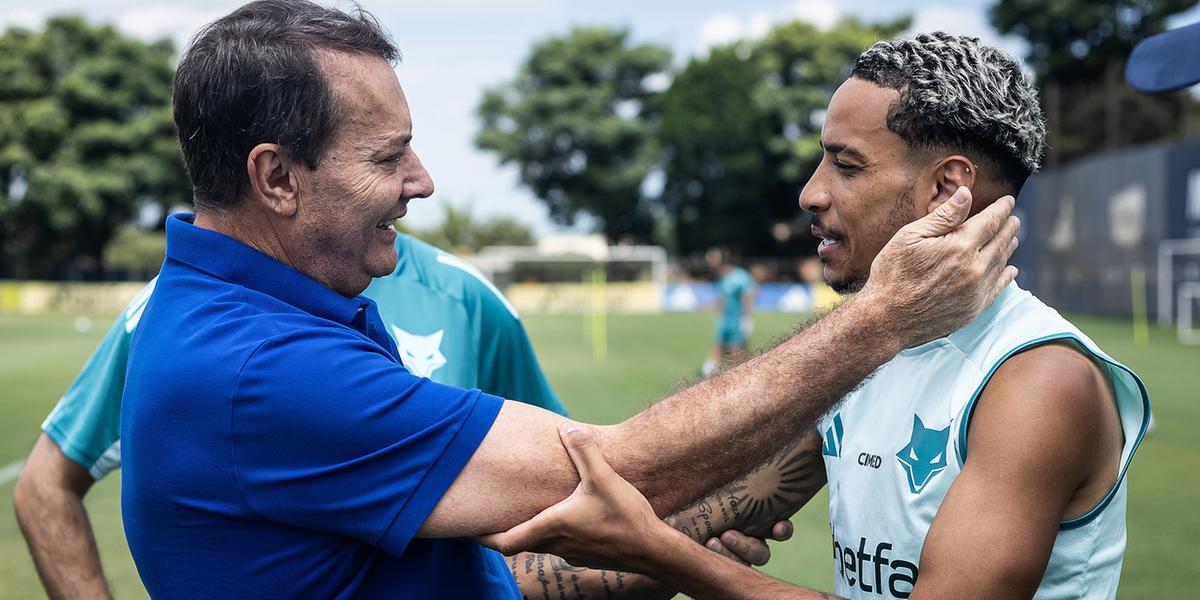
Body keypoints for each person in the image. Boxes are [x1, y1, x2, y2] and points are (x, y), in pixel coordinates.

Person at [118, 2, 1019, 597]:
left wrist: (667, 548)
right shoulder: (258, 369)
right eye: (388, 157)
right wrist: (881, 320)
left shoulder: (281, 313)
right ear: (276, 178)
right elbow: (613, 469)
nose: (423, 182)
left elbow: (485, 563)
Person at [485, 33, 1151, 600]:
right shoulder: (866, 351)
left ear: (947, 190)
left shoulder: (1037, 381)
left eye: (846, 164)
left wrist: (668, 556)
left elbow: (658, 543)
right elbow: (655, 522)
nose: (812, 191)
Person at [13, 231, 566, 599]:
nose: (418, 179)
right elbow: (44, 486)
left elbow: (567, 488)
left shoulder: (466, 296)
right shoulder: (186, 312)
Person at [701, 252, 756, 377]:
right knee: (719, 345)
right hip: (724, 319)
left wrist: (746, 317)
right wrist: (706, 306)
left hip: (737, 319)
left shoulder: (740, 276)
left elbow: (748, 294)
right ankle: (708, 371)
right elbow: (721, 299)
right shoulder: (721, 278)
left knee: (737, 349)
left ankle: (742, 373)